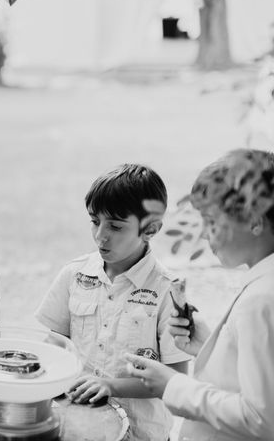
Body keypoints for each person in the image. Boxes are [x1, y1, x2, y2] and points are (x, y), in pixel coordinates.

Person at [126, 149, 274, 441]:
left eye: (211, 221)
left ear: (255, 222)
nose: (204, 234)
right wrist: (209, 345)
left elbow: (262, 419)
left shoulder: (261, 300)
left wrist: (172, 385)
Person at [35, 164, 190, 441]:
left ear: (150, 229)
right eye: (95, 221)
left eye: (115, 226)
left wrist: (110, 385)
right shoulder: (74, 274)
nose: (100, 235)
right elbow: (54, 347)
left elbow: (175, 379)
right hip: (80, 429)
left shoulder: (167, 291)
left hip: (142, 434)